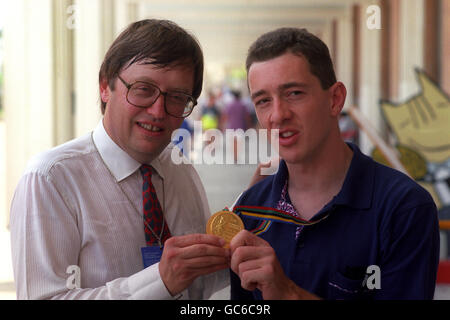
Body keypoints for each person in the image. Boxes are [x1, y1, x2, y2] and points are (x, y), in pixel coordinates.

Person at [10, 19, 230, 300]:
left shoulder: (179, 169)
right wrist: (160, 280)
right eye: (143, 89)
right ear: (105, 86)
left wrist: (248, 221)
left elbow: (197, 285)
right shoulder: (51, 179)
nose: (157, 110)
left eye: (176, 97)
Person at [229, 27, 440, 300]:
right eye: (263, 101)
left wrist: (289, 294)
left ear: (335, 99)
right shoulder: (251, 209)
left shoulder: (404, 208)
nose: (277, 115)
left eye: (294, 93)